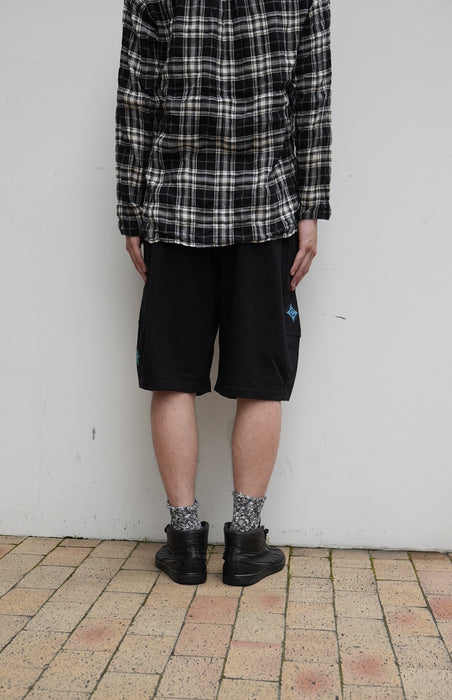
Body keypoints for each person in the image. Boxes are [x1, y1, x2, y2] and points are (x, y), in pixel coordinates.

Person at [115, 0, 332, 586]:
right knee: (261, 376)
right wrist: (309, 211)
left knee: (172, 375)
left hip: (175, 205)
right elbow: (311, 102)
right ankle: (245, 545)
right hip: (265, 208)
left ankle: (185, 543)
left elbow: (136, 101)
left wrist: (131, 211)